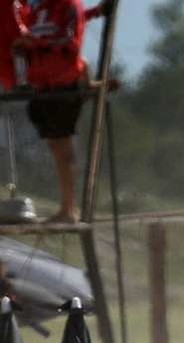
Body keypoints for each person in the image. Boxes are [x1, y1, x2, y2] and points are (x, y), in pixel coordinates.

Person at [16, 0, 107, 224]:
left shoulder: (69, 5)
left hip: (63, 84)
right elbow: (23, 31)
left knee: (64, 148)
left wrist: (35, 43)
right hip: (42, 85)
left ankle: (69, 209)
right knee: (55, 147)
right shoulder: (38, 10)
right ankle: (65, 208)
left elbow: (70, 41)